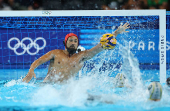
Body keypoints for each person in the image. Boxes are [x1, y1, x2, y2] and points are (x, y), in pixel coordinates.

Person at [22, 23, 130, 83]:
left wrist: (115, 33)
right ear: (65, 42)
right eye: (70, 41)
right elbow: (39, 60)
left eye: (75, 41)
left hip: (66, 88)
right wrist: (31, 70)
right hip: (48, 86)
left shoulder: (81, 56)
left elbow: (100, 46)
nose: (73, 43)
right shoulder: (55, 53)